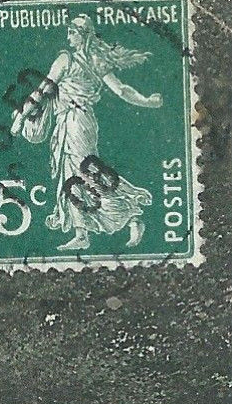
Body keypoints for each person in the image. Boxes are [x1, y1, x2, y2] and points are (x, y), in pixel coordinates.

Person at [11, 14, 163, 251]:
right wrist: (146, 101)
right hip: (81, 122)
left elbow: (42, 91)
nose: (68, 36)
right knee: (74, 174)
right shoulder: (96, 60)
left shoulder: (65, 59)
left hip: (73, 122)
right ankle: (83, 232)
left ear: (82, 36)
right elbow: (122, 90)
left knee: (82, 173)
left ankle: (131, 216)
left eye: (72, 32)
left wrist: (21, 117)